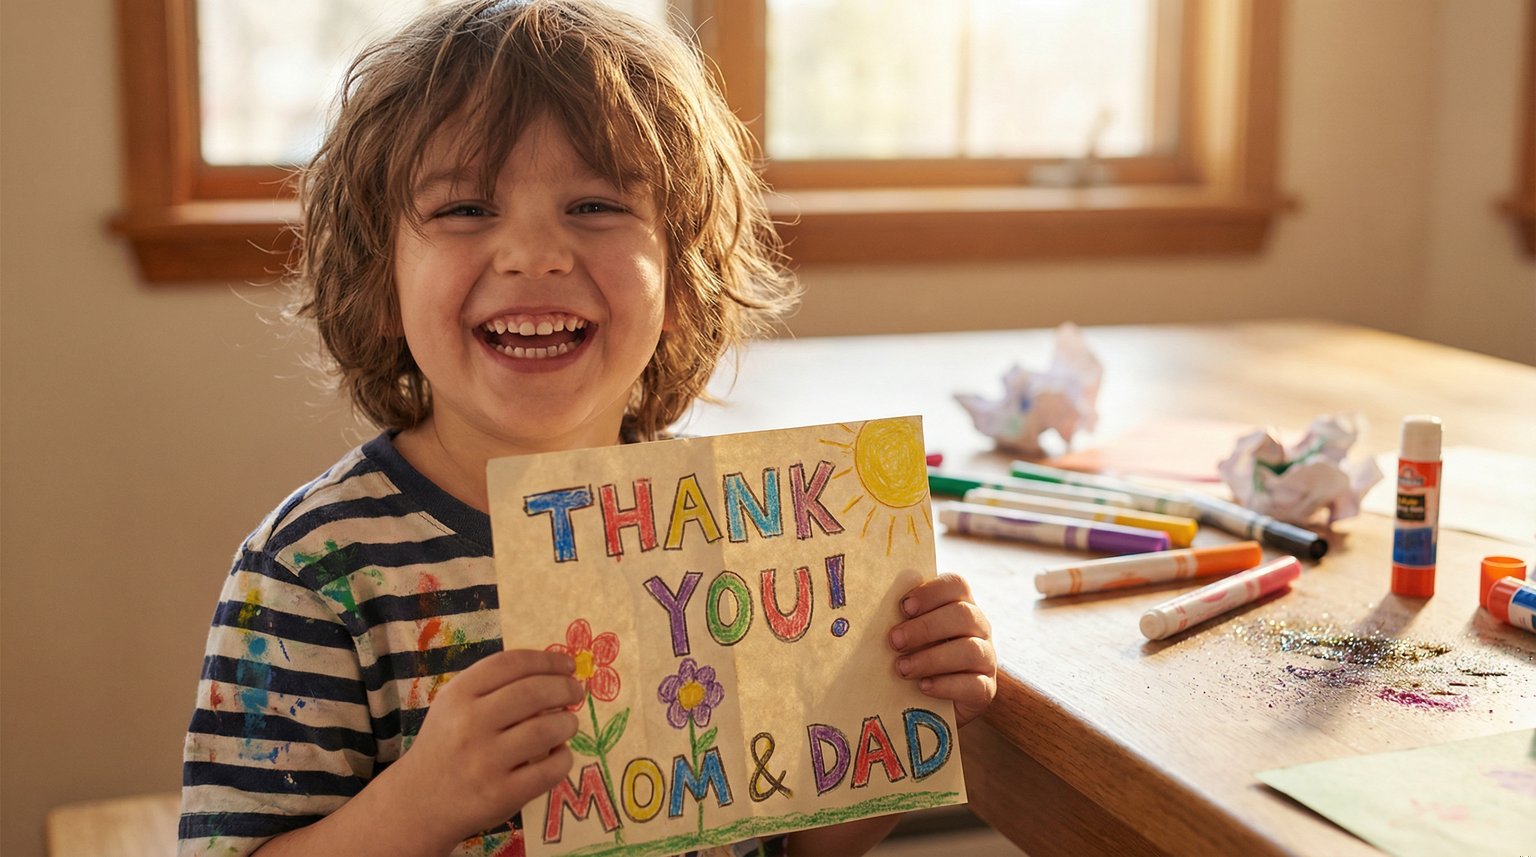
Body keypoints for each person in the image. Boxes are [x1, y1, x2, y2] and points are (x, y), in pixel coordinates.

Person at [178, 1, 997, 855]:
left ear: (682, 280)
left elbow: (787, 842)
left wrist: (905, 702)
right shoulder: (313, 571)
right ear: (380, 280)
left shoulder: (741, 527)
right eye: (464, 210)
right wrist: (419, 803)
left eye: (596, 205)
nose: (535, 254)